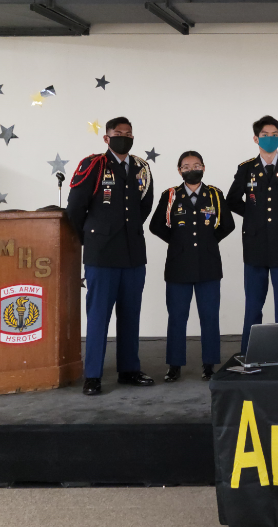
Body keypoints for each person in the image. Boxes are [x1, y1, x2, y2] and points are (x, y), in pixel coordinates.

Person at [67, 116, 154, 396]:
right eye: (118, 133)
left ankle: (129, 369)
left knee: (130, 315)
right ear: (106, 138)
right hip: (101, 254)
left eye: (128, 133)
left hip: (132, 253)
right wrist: (91, 238)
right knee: (98, 316)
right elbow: (75, 208)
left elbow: (145, 205)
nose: (124, 137)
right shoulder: (93, 165)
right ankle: (92, 375)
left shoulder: (141, 167)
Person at [227, 115, 278, 354]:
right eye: (265, 135)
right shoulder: (246, 169)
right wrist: (253, 216)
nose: (270, 139)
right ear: (256, 138)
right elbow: (232, 200)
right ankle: (249, 352)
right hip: (255, 244)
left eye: (274, 135)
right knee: (254, 304)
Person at [149, 151, 235, 382]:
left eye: (196, 165)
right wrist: (178, 242)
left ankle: (209, 365)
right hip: (178, 266)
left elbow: (228, 224)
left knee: (209, 316)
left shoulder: (215, 194)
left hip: (208, 265)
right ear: (179, 171)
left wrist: (209, 241)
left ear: (204, 168)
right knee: (177, 316)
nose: (191, 169)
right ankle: (174, 366)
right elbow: (156, 226)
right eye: (186, 166)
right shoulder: (170, 196)